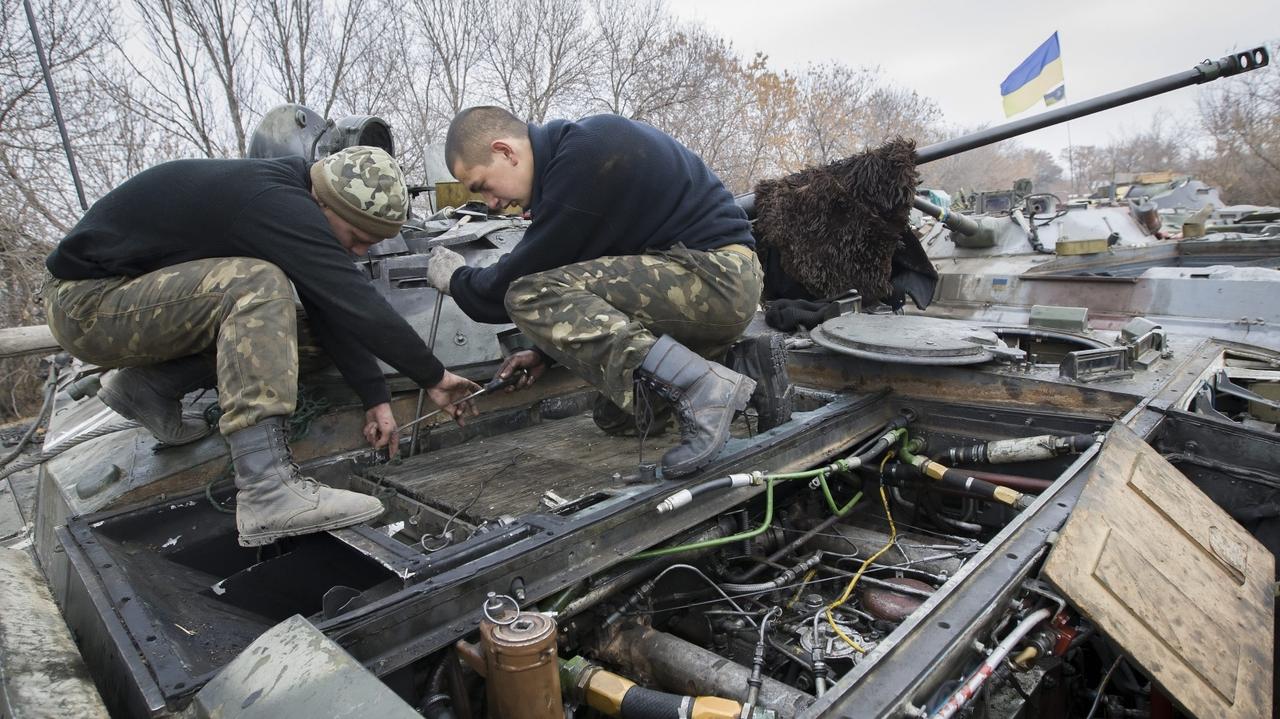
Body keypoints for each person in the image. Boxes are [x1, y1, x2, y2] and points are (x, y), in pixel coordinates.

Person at [44, 146, 481, 546]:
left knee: (298, 330)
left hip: (127, 301)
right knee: (256, 285)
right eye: (356, 236)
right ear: (325, 204)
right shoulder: (276, 203)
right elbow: (353, 299)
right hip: (88, 305)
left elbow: (328, 307)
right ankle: (266, 490)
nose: (360, 249)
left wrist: (375, 397)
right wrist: (435, 376)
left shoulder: (290, 191)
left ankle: (151, 388)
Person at [428, 106, 786, 478]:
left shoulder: (586, 153)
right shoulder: (577, 164)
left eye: (482, 185)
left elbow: (517, 282)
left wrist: (456, 279)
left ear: (505, 151)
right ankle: (742, 368)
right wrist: (543, 354)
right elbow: (601, 286)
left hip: (716, 277)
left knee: (526, 294)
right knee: (621, 417)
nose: (491, 203)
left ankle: (703, 387)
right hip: (706, 286)